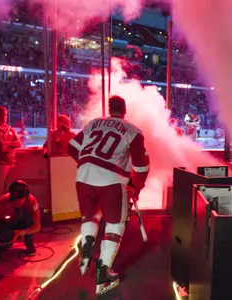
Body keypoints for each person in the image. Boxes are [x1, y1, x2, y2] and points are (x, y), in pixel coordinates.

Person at [68, 95, 150, 295]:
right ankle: (103, 275)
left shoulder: (94, 123)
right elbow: (141, 167)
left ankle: (87, 246)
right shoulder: (133, 131)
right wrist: (136, 187)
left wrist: (89, 162)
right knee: (114, 225)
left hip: (83, 177)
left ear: (109, 108)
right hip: (111, 182)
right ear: (124, 110)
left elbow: (71, 146)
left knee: (91, 216)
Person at [0, 180, 40, 256]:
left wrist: (21, 232)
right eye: (15, 200)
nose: (18, 202)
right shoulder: (2, 201)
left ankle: (29, 244)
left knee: (28, 217)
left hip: (24, 225)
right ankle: (6, 242)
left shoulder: (32, 201)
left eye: (21, 199)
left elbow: (37, 226)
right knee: (3, 224)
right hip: (10, 224)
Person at [0, 106, 22, 213]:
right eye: (2, 115)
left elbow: (19, 143)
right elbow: (1, 148)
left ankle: (6, 211)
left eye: (6, 115)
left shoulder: (9, 128)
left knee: (8, 189)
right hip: (0, 163)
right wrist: (11, 145)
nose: (5, 117)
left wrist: (7, 143)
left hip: (11, 162)